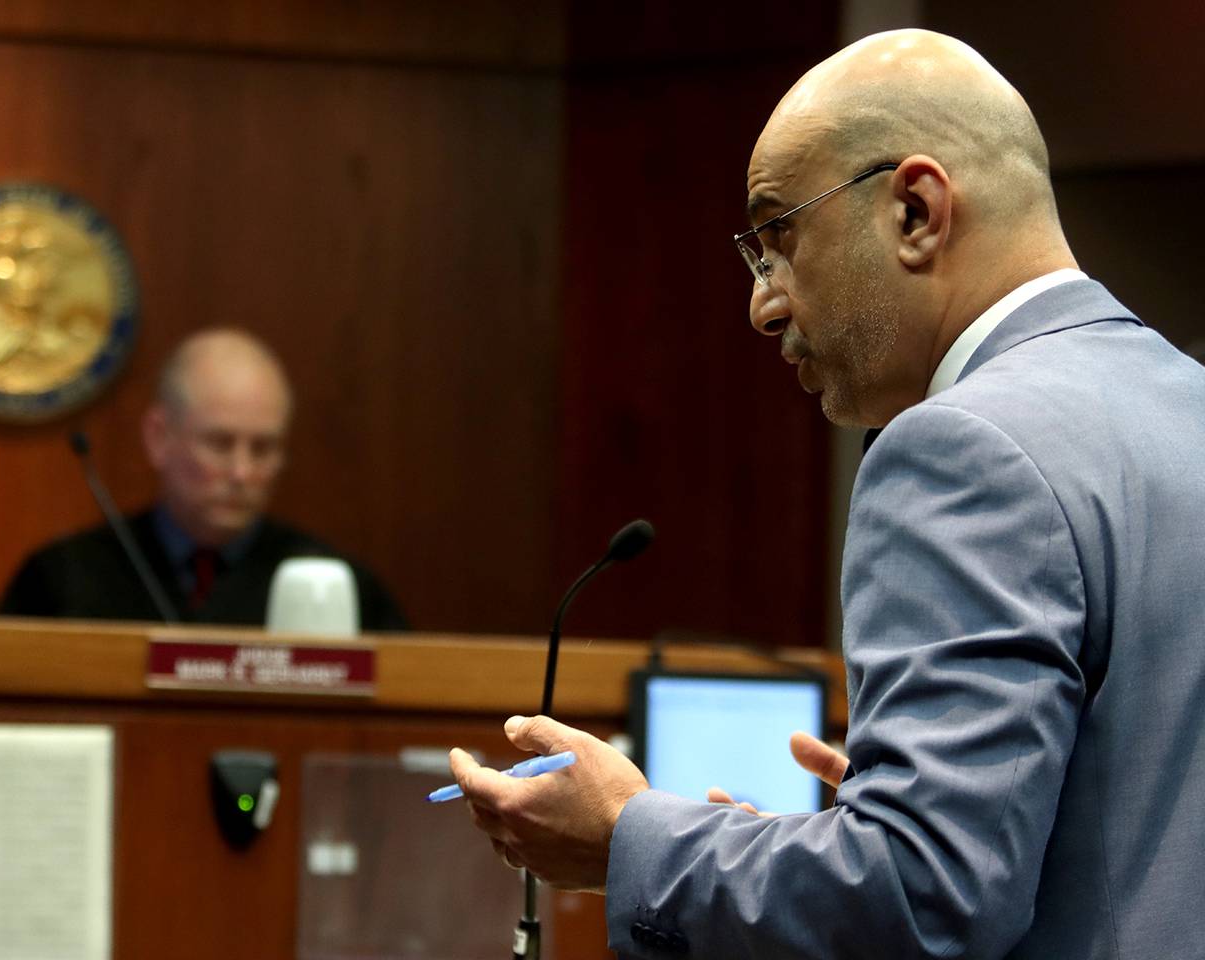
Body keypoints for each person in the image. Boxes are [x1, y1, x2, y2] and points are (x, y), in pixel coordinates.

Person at [449, 29, 1205, 959]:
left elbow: (929, 900)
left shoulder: (959, 450)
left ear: (917, 212)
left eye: (778, 239)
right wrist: (913, 814)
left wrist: (631, 838)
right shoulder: (1188, 407)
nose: (763, 305)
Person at [0, 328, 409, 630]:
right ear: (159, 438)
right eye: (219, 443)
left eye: (263, 449)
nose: (242, 472)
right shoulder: (63, 577)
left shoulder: (335, 585)